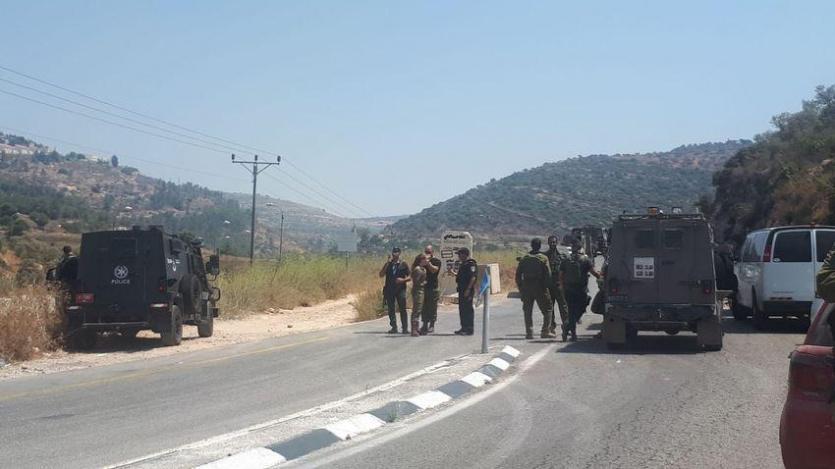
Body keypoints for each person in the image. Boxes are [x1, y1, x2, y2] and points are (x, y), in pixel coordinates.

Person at [560, 237, 601, 342]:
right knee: (582, 307)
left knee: (571, 311)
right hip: (581, 290)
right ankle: (568, 328)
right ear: (580, 248)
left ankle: (569, 330)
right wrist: (602, 276)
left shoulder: (566, 260)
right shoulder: (585, 260)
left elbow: (561, 276)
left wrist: (563, 288)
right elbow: (594, 273)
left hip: (568, 290)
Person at [516, 238, 555, 339]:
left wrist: (521, 288)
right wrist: (546, 287)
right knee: (548, 309)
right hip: (540, 287)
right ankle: (545, 331)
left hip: (526, 287)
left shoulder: (524, 258)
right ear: (540, 246)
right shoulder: (543, 258)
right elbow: (548, 275)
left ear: (531, 245)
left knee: (527, 311)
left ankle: (529, 332)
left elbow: (518, 275)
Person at [379, 247, 411, 334]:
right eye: (393, 252)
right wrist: (387, 263)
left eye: (396, 252)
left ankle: (405, 328)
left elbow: (410, 276)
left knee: (402, 309)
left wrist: (403, 280)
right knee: (391, 309)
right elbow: (381, 275)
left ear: (399, 253)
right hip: (390, 289)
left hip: (400, 289)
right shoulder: (388, 264)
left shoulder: (403, 264)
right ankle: (394, 327)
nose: (395, 254)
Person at [545, 235, 569, 336]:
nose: (552, 244)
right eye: (551, 242)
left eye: (554, 242)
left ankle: (566, 327)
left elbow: (567, 271)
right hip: (549, 286)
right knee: (550, 307)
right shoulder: (544, 256)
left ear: (557, 243)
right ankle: (551, 327)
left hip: (559, 286)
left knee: (563, 307)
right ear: (548, 243)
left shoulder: (562, 257)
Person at [454, 247, 477, 336]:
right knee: (462, 309)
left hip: (467, 290)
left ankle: (469, 329)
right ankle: (463, 327)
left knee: (468, 310)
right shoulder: (463, 264)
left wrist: (468, 289)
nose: (459, 256)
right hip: (461, 290)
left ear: (464, 254)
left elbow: (473, 277)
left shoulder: (471, 264)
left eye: (460, 254)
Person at [420, 245, 443, 334]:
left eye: (429, 252)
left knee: (432, 307)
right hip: (423, 287)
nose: (427, 254)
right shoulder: (422, 260)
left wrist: (428, 263)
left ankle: (432, 325)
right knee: (424, 307)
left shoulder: (436, 261)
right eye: (426, 252)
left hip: (433, 287)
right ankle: (425, 324)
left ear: (432, 252)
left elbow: (434, 270)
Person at [410, 254, 428, 337]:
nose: (427, 261)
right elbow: (416, 282)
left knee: (419, 309)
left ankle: (417, 328)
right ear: (421, 260)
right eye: (425, 259)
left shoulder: (423, 269)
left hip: (421, 290)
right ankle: (413, 329)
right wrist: (423, 283)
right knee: (416, 310)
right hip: (417, 291)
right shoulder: (417, 269)